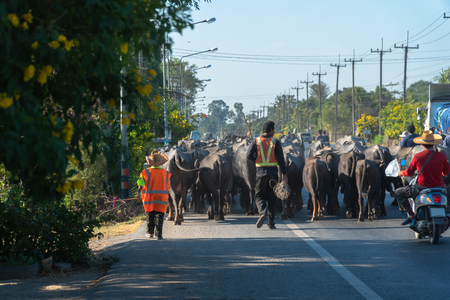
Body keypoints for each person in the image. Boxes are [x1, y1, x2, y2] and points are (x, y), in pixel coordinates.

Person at [395, 130, 450, 225]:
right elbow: (446, 172)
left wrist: (401, 173)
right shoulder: (442, 156)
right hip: (440, 188)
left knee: (398, 192)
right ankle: (447, 213)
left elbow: (409, 172)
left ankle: (411, 215)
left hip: (421, 187)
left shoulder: (417, 156)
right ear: (433, 144)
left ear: (422, 145)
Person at [246, 120, 288, 229]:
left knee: (259, 196)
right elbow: (282, 160)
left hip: (260, 174)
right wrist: (284, 174)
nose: (274, 131)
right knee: (272, 198)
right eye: (274, 129)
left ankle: (262, 213)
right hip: (273, 174)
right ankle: (271, 223)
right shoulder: (275, 142)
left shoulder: (256, 141)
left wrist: (256, 159)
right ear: (271, 130)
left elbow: (248, 155)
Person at [137, 150, 172, 239]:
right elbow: (168, 186)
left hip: (149, 198)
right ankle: (159, 235)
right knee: (160, 216)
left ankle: (150, 233)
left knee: (150, 216)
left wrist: (138, 193)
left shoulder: (145, 172)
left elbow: (141, 184)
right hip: (161, 198)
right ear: (161, 162)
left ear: (150, 162)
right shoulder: (166, 173)